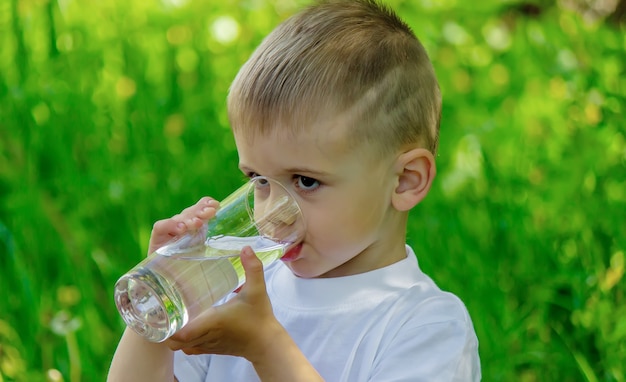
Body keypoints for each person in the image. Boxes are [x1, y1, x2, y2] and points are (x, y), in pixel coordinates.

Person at [108, 0, 481, 380]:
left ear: (405, 180)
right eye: (258, 181)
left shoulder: (425, 327)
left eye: (306, 182)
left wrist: (267, 348)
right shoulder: (233, 286)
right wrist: (157, 309)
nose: (272, 214)